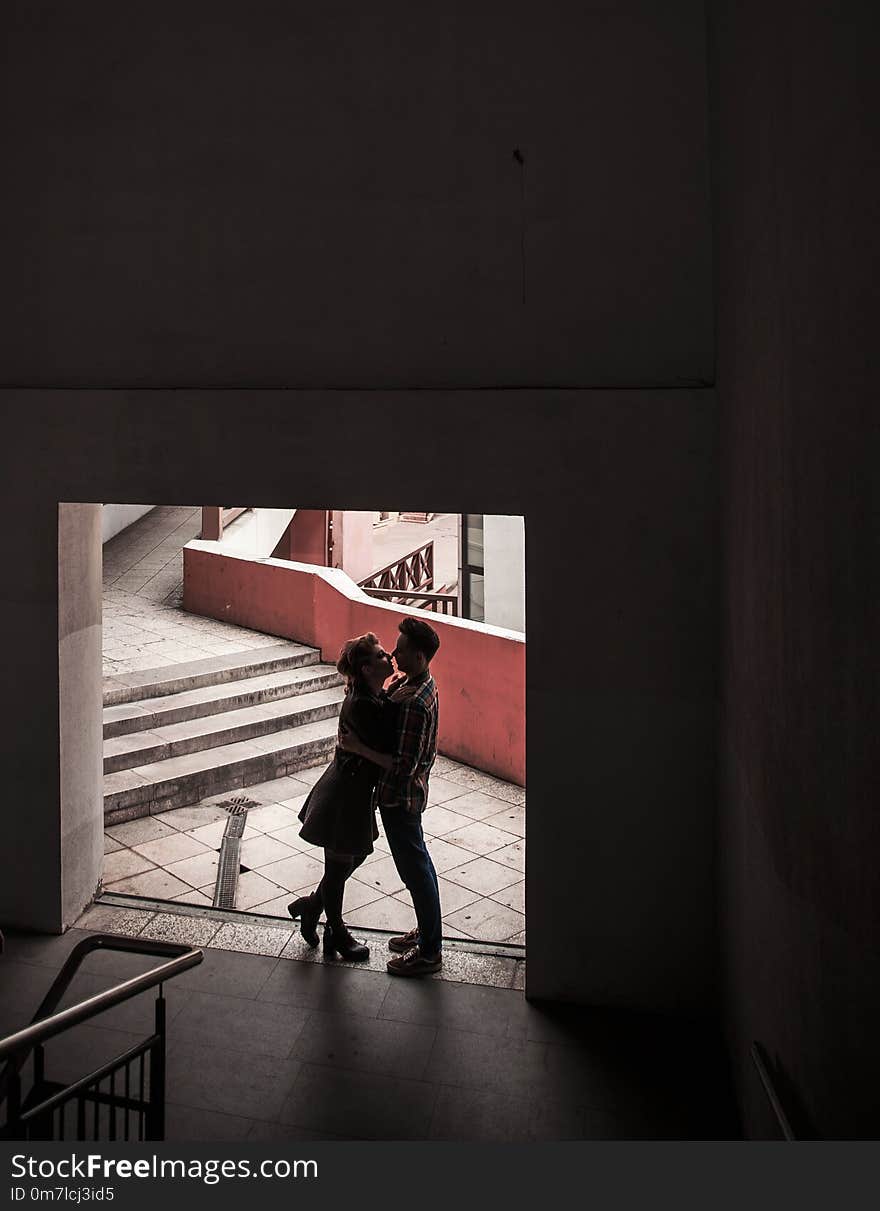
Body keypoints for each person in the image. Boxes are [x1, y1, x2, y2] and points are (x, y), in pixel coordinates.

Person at [338, 615, 442, 977]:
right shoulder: (421, 684)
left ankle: (429, 952)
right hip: (407, 796)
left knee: (415, 872)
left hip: (400, 798)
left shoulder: (413, 701)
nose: (394, 655)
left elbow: (402, 764)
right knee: (420, 866)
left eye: (400, 649)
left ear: (418, 654)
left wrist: (356, 747)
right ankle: (427, 932)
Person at [288, 632, 397, 961]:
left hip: (352, 790)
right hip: (344, 794)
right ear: (365, 669)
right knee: (339, 866)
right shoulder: (364, 705)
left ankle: (312, 906)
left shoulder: (371, 697)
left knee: (354, 856)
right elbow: (389, 752)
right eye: (380, 656)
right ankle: (336, 932)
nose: (388, 657)